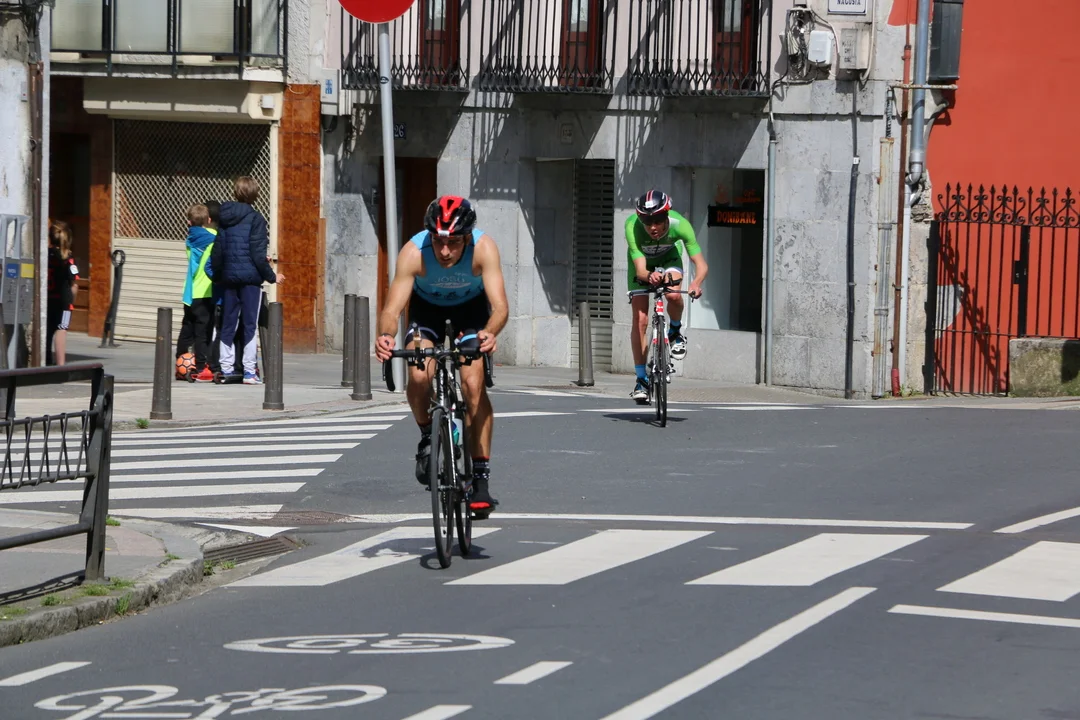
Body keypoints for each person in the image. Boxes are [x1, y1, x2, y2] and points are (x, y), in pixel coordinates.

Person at [374, 196, 509, 514]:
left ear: (467, 237)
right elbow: (392, 309)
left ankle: (480, 480)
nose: (445, 251)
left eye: (454, 242)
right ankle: (427, 434)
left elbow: (500, 307)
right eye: (438, 241)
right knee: (419, 373)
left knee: (473, 385)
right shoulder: (413, 252)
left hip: (471, 313)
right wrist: (386, 336)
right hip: (427, 313)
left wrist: (490, 332)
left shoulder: (484, 248)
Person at [625, 190, 708, 402]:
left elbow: (701, 264)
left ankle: (675, 332)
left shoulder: (681, 225)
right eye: (647, 221)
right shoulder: (632, 226)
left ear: (667, 215)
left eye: (658, 220)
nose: (652, 227)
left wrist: (696, 284)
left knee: (673, 295)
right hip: (642, 266)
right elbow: (640, 270)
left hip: (670, 258)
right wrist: (649, 276)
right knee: (640, 320)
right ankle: (641, 379)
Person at [214, 177, 284, 384]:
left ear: (235, 192)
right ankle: (249, 371)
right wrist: (272, 276)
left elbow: (218, 250)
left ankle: (226, 368)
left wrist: (218, 275)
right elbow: (257, 254)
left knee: (228, 322)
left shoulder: (224, 217)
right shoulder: (256, 219)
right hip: (250, 279)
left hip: (229, 278)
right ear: (255, 195)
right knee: (249, 324)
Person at [175, 204, 217, 382]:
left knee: (187, 328)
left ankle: (180, 362)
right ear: (208, 220)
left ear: (188, 222)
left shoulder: (189, 239)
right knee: (202, 331)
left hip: (190, 292)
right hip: (205, 291)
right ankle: (201, 365)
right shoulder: (214, 238)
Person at [45, 220, 79, 366]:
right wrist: (72, 301)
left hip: (48, 299)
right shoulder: (68, 259)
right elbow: (74, 285)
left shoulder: (45, 255)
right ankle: (60, 365)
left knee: (46, 331)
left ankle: (45, 361)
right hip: (63, 303)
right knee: (61, 329)